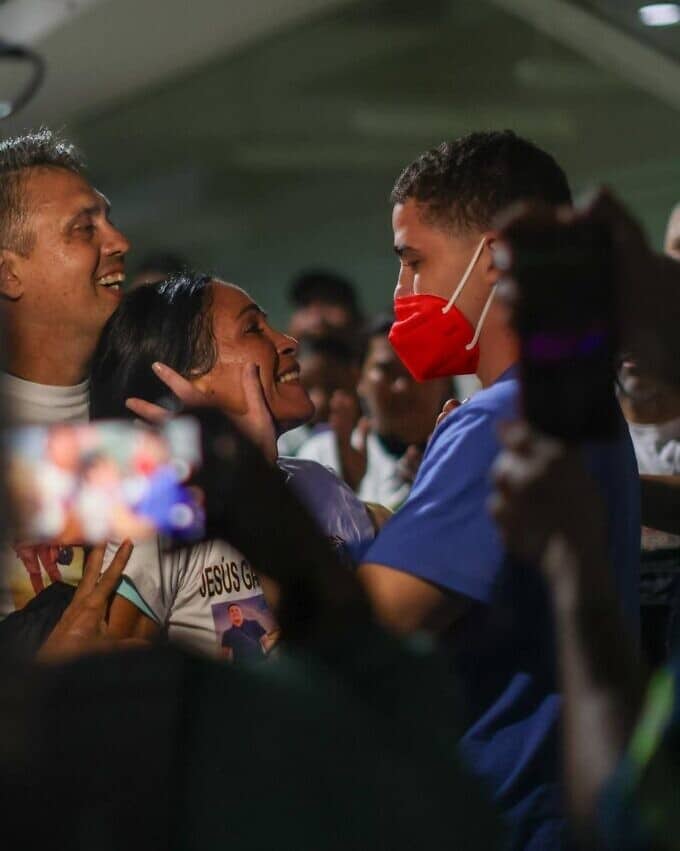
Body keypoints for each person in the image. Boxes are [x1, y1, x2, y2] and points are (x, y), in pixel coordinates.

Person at [355, 132, 640, 851]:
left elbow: (367, 627)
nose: (401, 294)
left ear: (497, 256)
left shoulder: (497, 422)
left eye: (414, 262)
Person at [90, 272, 376, 657]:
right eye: (253, 330)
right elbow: (113, 682)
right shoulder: (159, 521)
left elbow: (380, 632)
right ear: (188, 382)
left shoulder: (322, 486)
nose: (289, 342)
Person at [0, 128, 130, 616]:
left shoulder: (151, 416)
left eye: (108, 221)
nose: (120, 242)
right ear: (8, 273)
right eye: (84, 228)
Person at [298, 314, 451, 509]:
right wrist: (347, 492)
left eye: (417, 367)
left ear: (444, 378)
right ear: (359, 377)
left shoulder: (466, 455)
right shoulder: (321, 459)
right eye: (387, 370)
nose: (402, 386)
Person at [277, 334, 360, 458]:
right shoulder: (279, 443)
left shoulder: (367, 441)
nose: (319, 401)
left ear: (356, 380)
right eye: (304, 386)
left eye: (332, 386)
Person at [287, 268, 363, 344]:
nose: (317, 318)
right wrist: (294, 336)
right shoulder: (309, 342)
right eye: (307, 307)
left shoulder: (372, 334)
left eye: (327, 305)